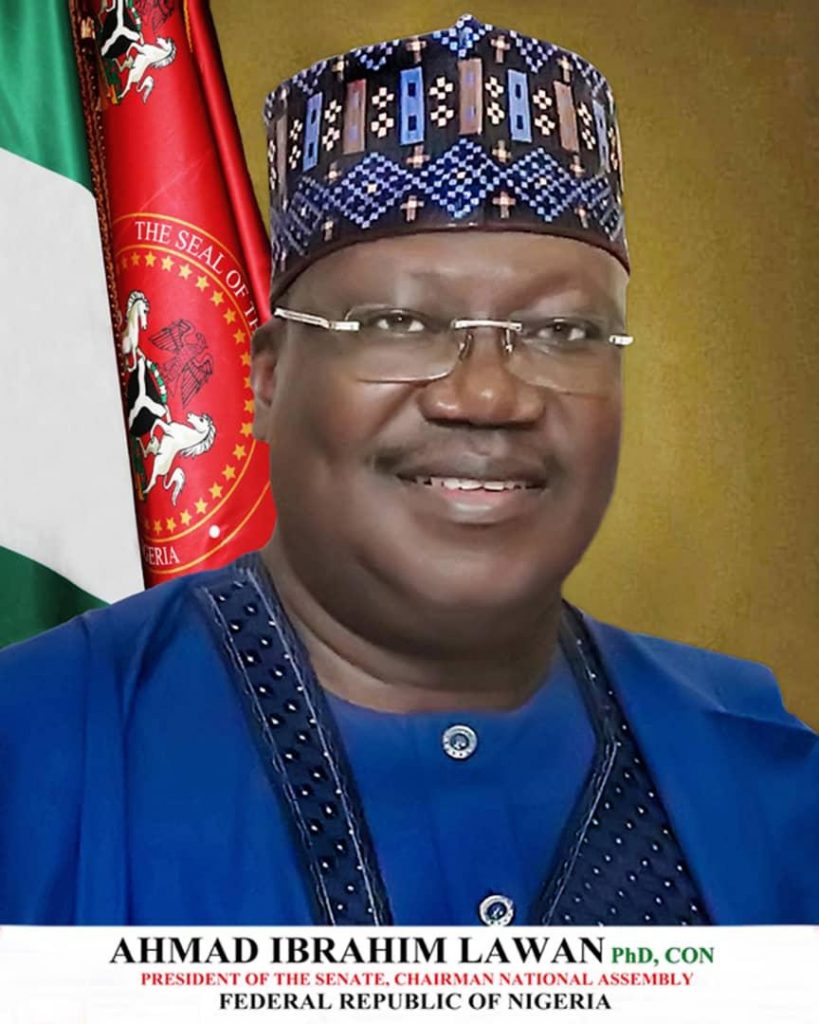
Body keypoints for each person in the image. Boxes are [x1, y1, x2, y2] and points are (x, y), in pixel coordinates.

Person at [0, 14, 817, 927]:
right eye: (397, 325)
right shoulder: (31, 747)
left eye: (561, 331)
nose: (487, 395)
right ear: (266, 379)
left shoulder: (763, 774)